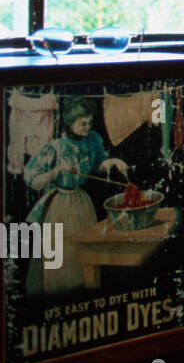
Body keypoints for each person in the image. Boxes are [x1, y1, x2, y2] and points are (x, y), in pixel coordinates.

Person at [23, 97, 129, 294]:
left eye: (89, 122)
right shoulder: (55, 146)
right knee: (62, 252)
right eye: (83, 123)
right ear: (70, 122)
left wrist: (113, 161)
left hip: (82, 203)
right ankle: (60, 294)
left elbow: (99, 164)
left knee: (85, 252)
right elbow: (32, 179)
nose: (87, 127)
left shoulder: (93, 140)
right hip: (59, 207)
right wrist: (57, 171)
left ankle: (83, 294)